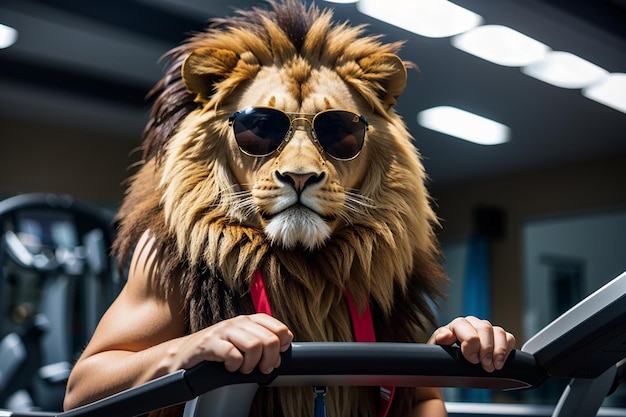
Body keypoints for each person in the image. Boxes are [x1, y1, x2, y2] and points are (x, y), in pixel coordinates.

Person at [63, 231, 516, 415]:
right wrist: (187, 348)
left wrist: (445, 356)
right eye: (260, 127)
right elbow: (81, 392)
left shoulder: (385, 265)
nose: (302, 162)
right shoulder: (177, 249)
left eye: (338, 132)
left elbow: (421, 400)